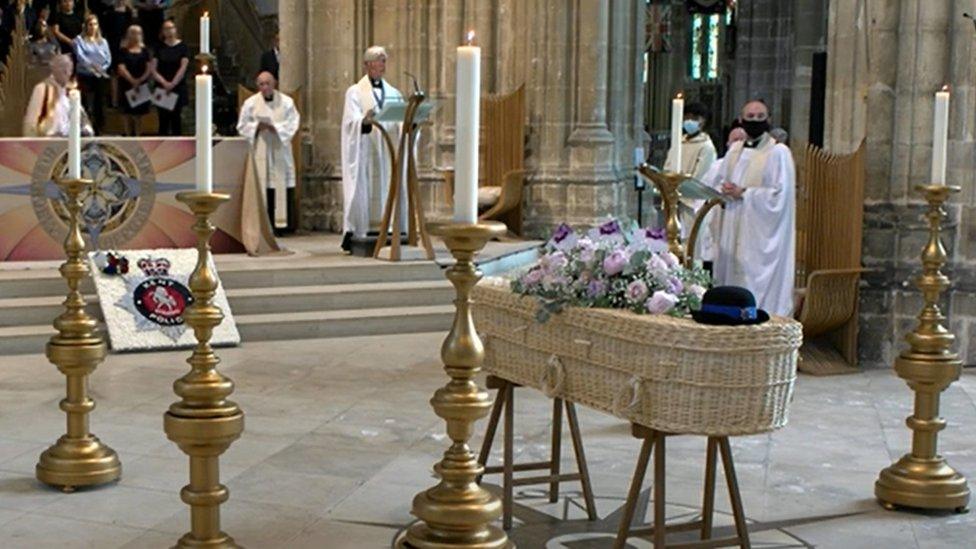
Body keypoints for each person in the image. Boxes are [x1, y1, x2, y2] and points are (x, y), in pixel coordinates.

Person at [700, 99, 796, 317]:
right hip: (732, 229)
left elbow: (780, 197)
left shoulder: (778, 153)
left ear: (768, 120)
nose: (755, 121)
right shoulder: (734, 150)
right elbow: (717, 181)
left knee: (753, 283)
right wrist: (723, 191)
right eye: (750, 117)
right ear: (741, 120)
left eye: (760, 117)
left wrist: (744, 193)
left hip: (759, 237)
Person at [339, 45, 404, 251]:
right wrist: (364, 121)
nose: (382, 65)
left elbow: (400, 119)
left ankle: (388, 229)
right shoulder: (355, 92)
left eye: (384, 60)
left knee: (386, 186)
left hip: (386, 151)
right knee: (365, 187)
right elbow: (350, 122)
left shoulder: (394, 92)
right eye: (378, 60)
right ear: (367, 65)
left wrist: (408, 125)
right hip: (366, 150)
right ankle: (360, 231)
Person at [237, 71, 300, 234]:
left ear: (275, 83)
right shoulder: (251, 103)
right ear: (257, 85)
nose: (265, 87)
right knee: (263, 184)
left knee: (280, 185)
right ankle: (263, 225)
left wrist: (276, 128)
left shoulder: (287, 102)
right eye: (261, 84)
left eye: (268, 83)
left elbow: (293, 123)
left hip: (279, 148)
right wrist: (256, 127)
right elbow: (242, 126)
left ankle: (282, 226)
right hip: (260, 148)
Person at [664, 101, 718, 266]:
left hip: (692, 203)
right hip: (674, 200)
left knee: (693, 245)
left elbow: (700, 177)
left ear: (703, 121)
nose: (689, 120)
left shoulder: (706, 147)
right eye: (686, 117)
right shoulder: (679, 142)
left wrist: (678, 190)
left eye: (694, 117)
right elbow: (667, 167)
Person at [23, 54, 93, 136]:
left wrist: (86, 129)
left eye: (69, 69)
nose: (67, 72)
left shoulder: (71, 92)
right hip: (50, 141)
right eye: (63, 67)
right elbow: (31, 122)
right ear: (53, 68)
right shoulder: (42, 89)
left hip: (71, 140)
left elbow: (83, 119)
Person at [73, 14, 112, 134]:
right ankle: (84, 128)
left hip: (100, 76)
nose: (93, 27)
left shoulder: (103, 41)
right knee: (85, 102)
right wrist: (92, 67)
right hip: (85, 75)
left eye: (95, 24)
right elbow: (81, 57)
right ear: (85, 26)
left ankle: (99, 128)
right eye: (90, 24)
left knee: (99, 103)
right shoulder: (79, 40)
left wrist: (101, 69)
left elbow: (108, 58)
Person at [153, 17, 189, 136]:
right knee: (163, 121)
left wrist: (173, 83)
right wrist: (164, 83)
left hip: (177, 87)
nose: (168, 31)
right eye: (165, 29)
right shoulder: (158, 47)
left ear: (175, 29)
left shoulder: (182, 47)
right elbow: (153, 68)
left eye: (170, 28)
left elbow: (183, 66)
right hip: (162, 87)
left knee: (176, 120)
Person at [116, 24, 154, 135]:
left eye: (138, 33)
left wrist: (140, 80)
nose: (136, 35)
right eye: (133, 33)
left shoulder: (145, 51)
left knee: (138, 115)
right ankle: (128, 136)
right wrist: (132, 80)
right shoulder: (123, 51)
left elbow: (149, 67)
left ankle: (138, 136)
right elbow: (121, 68)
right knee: (127, 114)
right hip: (126, 85)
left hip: (141, 85)